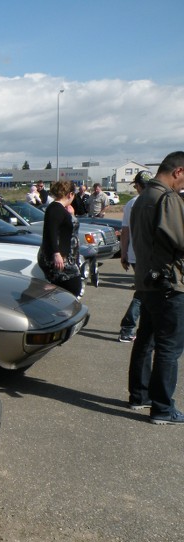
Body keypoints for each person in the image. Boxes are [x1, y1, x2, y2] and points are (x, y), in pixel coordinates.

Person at [128, 151, 184, 423]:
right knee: (169, 347)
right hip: (168, 282)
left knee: (146, 340)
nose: (183, 186)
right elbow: (181, 240)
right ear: (178, 171)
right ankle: (163, 408)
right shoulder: (167, 198)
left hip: (147, 281)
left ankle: (139, 396)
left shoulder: (141, 199)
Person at [117, 170, 152, 343]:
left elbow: (125, 232)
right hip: (150, 257)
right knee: (143, 293)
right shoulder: (158, 200)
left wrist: (123, 254)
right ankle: (128, 327)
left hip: (135, 255)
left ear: (138, 186)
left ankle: (135, 328)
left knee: (145, 292)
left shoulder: (132, 203)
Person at [37, 180, 81, 297]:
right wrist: (56, 253)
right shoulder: (55, 209)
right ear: (70, 194)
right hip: (60, 258)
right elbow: (50, 231)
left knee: (68, 291)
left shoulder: (61, 209)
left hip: (66, 257)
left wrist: (71, 215)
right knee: (73, 287)